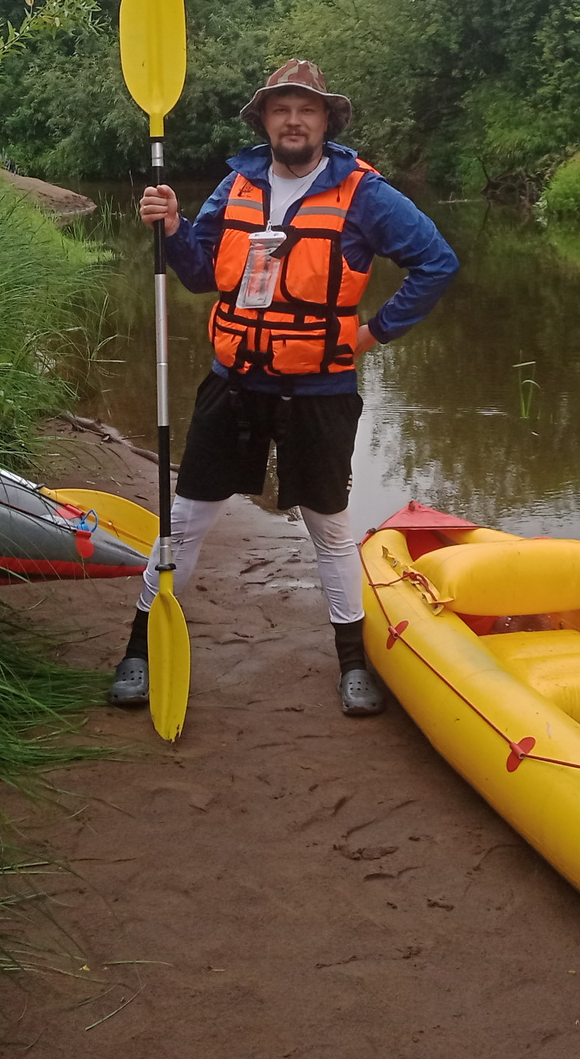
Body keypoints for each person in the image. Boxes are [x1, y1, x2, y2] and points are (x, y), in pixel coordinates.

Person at [110, 59, 459, 716]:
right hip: (235, 380)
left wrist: (373, 333)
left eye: (307, 109)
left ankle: (353, 665)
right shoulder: (237, 184)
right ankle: (140, 649)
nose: (293, 120)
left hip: (319, 387)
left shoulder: (365, 195)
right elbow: (195, 274)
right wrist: (174, 226)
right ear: (264, 120)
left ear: (328, 120)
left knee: (328, 526)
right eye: (281, 109)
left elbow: (436, 262)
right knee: (184, 521)